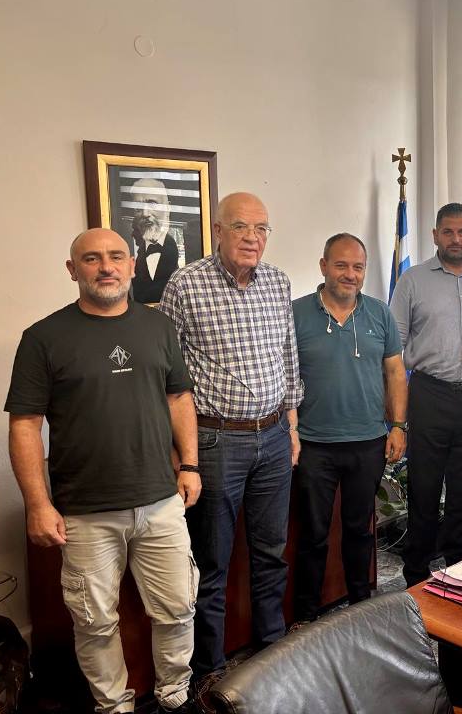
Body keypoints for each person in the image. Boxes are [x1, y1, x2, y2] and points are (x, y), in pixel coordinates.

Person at [6, 228, 200, 714]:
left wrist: (190, 464)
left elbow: (179, 398)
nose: (106, 267)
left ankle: (175, 695)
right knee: (94, 623)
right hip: (85, 512)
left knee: (178, 609)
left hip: (161, 501)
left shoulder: (159, 327)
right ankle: (114, 706)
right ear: (72, 270)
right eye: (92, 259)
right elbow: (25, 425)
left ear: (132, 265)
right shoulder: (43, 338)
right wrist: (37, 503)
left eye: (116, 257)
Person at [159, 192, 302, 686]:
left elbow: (288, 357)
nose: (252, 238)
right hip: (216, 442)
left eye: (261, 229)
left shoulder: (278, 282)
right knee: (213, 563)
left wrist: (292, 427)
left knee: (271, 554)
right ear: (217, 231)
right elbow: (167, 377)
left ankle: (272, 652)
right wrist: (181, 454)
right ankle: (211, 672)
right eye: (241, 227)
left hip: (274, 436)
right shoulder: (185, 285)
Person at [291, 233, 408, 623]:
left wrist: (398, 426)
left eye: (358, 267)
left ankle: (361, 610)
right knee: (313, 534)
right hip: (313, 444)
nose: (350, 274)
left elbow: (395, 373)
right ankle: (306, 616)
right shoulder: (295, 314)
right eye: (341, 265)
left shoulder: (380, 314)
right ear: (323, 266)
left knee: (360, 530)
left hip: (368, 441)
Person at [390, 203, 462, 586]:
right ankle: (416, 575)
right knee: (424, 487)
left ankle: (459, 568)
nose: (455, 239)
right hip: (429, 394)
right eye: (448, 232)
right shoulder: (413, 280)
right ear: (435, 235)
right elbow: (394, 344)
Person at [129, 178, 180, 304]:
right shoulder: (134, 256)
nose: (145, 213)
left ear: (167, 207)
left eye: (152, 203)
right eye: (138, 208)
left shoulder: (177, 250)